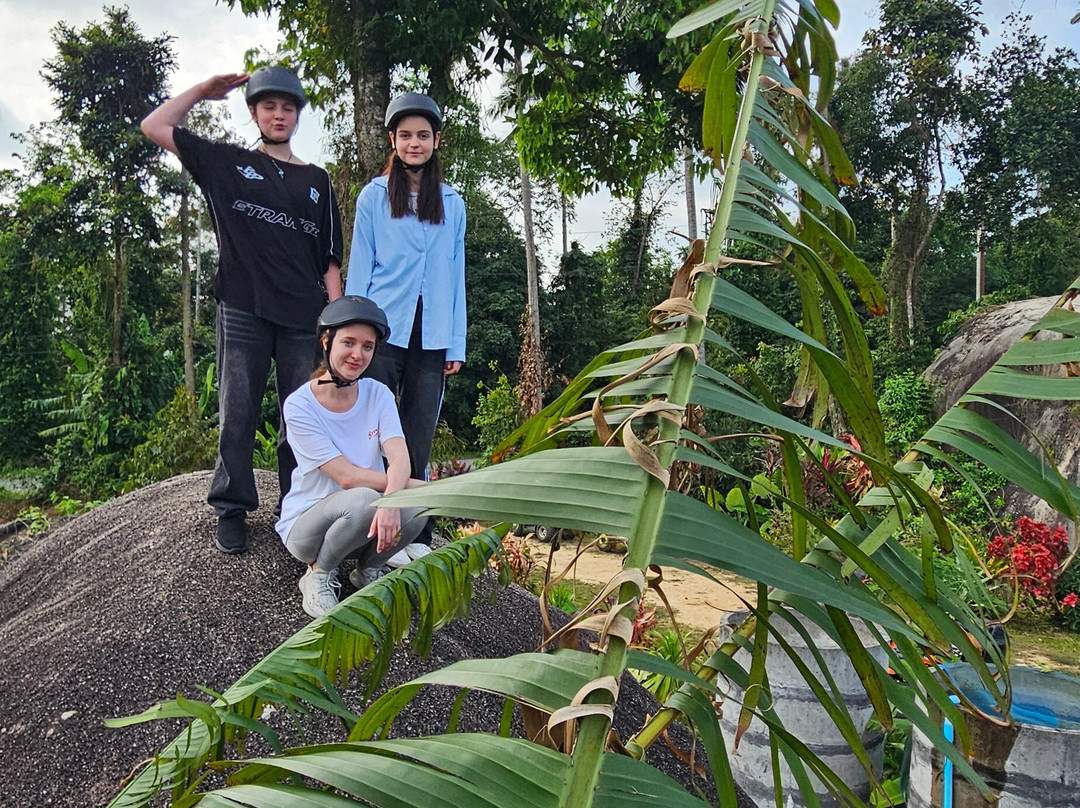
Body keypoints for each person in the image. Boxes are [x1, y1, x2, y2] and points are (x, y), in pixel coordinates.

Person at [141, 67, 343, 555]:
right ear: (253, 112)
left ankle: (295, 506)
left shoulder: (317, 181)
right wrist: (203, 90)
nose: (279, 115)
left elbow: (330, 259)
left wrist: (335, 323)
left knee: (302, 418)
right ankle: (231, 508)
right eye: (269, 106)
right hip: (243, 308)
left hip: (304, 316)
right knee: (237, 412)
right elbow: (154, 125)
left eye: (288, 107)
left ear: (298, 116)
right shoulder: (225, 163)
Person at [345, 92, 465, 564]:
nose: (415, 143)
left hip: (432, 336)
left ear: (436, 141)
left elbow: (455, 276)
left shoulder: (452, 203)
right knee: (372, 430)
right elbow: (360, 268)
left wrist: (456, 342)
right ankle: (361, 521)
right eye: (406, 135)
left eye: (424, 135)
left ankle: (415, 532)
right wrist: (352, 335)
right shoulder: (374, 197)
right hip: (383, 331)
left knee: (418, 432)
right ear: (393, 140)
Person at [275, 296, 426, 617]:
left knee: (423, 501)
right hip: (310, 526)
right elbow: (346, 476)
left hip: (362, 525)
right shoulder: (300, 405)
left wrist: (396, 497)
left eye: (368, 347)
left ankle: (368, 569)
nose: (358, 355)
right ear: (326, 343)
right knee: (362, 500)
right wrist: (395, 493)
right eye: (349, 343)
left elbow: (399, 455)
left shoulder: (378, 393)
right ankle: (319, 574)